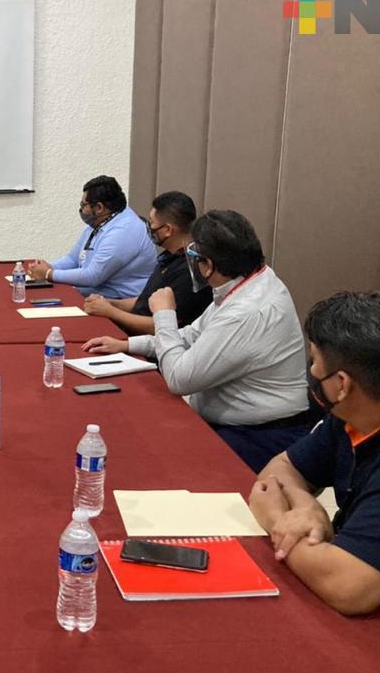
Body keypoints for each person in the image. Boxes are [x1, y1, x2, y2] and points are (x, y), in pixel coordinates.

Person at [248, 292, 380, 631]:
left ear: (341, 383)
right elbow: (281, 469)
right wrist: (307, 506)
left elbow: (349, 587)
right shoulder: (360, 409)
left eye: (314, 361)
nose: (311, 371)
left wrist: (274, 517)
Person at [82, 210, 309, 472]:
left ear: (208, 265)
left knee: (152, 459)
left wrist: (164, 314)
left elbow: (179, 379)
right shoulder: (248, 281)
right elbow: (191, 335)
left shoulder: (246, 311)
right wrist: (129, 345)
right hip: (238, 425)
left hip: (259, 436)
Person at [83, 191, 212, 335]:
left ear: (167, 230)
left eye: (151, 222)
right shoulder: (169, 257)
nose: (148, 227)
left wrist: (110, 312)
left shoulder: (189, 271)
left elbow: (165, 326)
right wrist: (110, 303)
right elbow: (145, 301)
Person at [27, 175, 156, 297]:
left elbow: (93, 276)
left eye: (83, 205)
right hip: (96, 293)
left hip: (121, 301)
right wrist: (45, 268)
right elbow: (73, 260)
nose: (81, 210)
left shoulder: (125, 230)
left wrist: (49, 274)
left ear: (99, 207)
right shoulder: (101, 221)